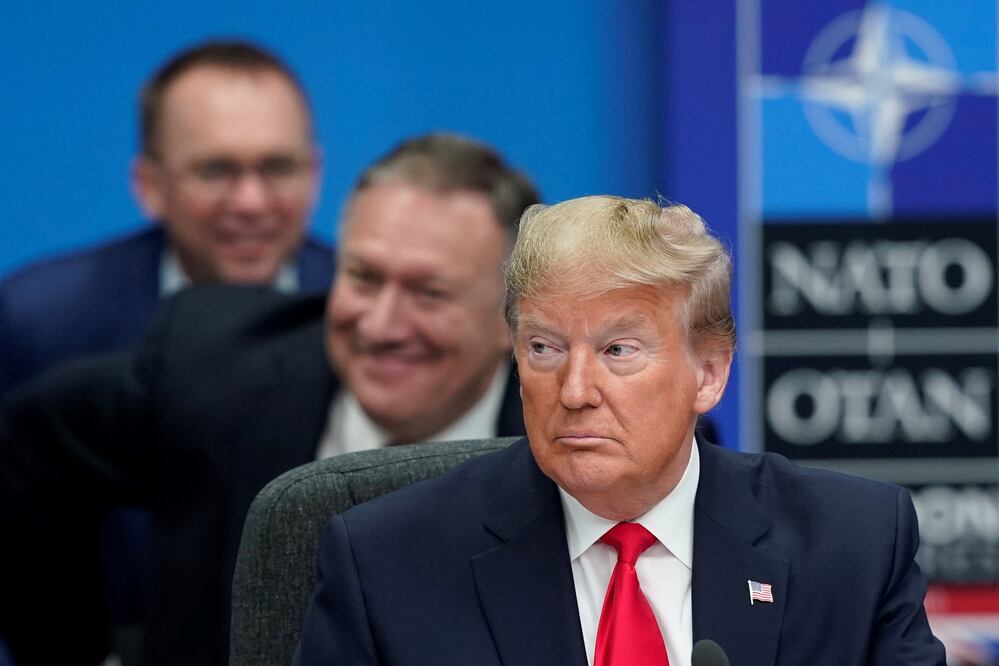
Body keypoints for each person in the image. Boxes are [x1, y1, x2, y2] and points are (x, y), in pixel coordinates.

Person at [295, 196, 945, 665]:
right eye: (544, 349)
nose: (574, 392)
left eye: (617, 351)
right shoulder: (386, 562)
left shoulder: (851, 545)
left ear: (708, 374)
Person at [0, 133, 539, 666]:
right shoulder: (215, 369)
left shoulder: (568, 449)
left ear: (512, 319)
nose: (380, 325)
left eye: (429, 293)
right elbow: (25, 446)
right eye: (363, 278)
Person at [0, 40, 333, 396]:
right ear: (151, 186)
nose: (251, 203)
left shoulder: (365, 319)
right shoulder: (42, 321)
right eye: (215, 171)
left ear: (314, 176)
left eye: (278, 168)